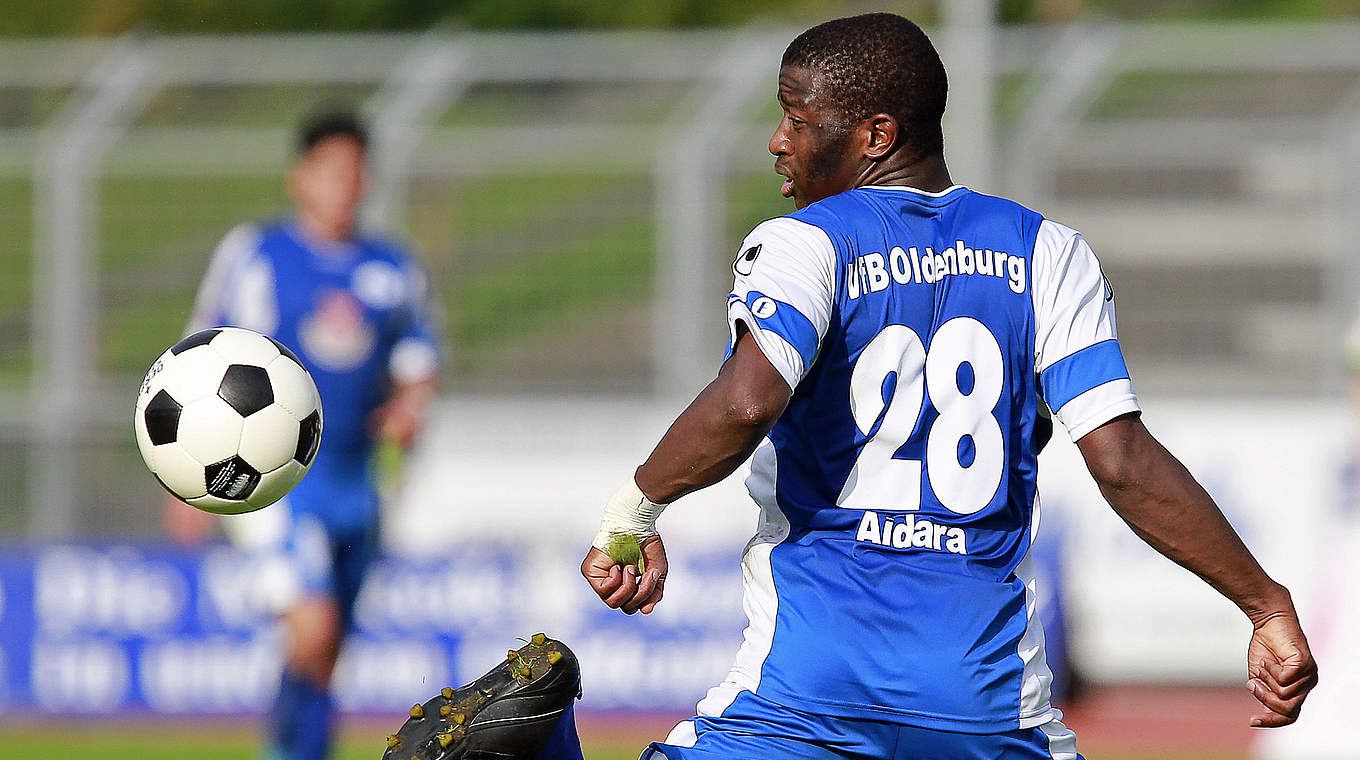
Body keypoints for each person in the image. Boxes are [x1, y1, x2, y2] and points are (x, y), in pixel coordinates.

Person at [570, 13, 1316, 760]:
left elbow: (745, 402)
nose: (777, 140)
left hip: (808, 694)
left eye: (797, 118)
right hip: (983, 701)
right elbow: (1123, 462)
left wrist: (635, 512)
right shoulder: (1049, 253)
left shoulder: (803, 244)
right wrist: (1265, 605)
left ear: (877, 134)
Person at [162, 108, 440, 760]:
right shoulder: (256, 255)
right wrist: (184, 481)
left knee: (328, 648)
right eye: (331, 169)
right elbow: (197, 362)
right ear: (301, 177)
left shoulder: (393, 268)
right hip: (277, 479)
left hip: (359, 477)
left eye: (356, 170)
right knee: (312, 628)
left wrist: (409, 409)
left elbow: (420, 362)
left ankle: (294, 751)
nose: (345, 183)